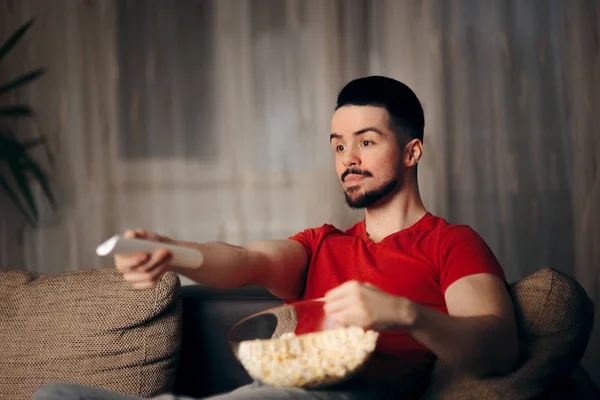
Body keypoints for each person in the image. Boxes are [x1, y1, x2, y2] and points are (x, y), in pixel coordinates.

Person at [33, 76, 518, 400]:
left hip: (352, 398)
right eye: (338, 145)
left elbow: (497, 346)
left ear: (411, 152)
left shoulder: (450, 242)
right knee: (55, 395)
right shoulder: (323, 244)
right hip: (281, 392)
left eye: (366, 141)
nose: (348, 158)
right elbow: (244, 258)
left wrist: (404, 313)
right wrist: (170, 252)